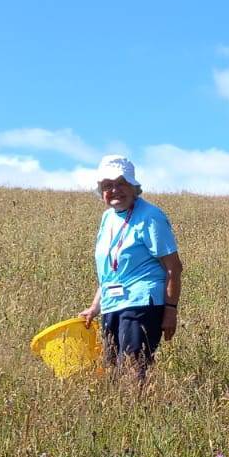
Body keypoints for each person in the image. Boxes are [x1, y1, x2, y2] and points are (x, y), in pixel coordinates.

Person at [78, 156, 181, 376]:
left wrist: (170, 311)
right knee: (113, 371)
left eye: (120, 183)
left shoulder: (151, 217)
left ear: (134, 187)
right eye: (107, 186)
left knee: (134, 368)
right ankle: (123, 410)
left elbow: (174, 267)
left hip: (142, 301)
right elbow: (111, 272)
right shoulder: (107, 219)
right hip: (112, 304)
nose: (114, 190)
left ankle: (141, 408)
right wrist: (95, 307)